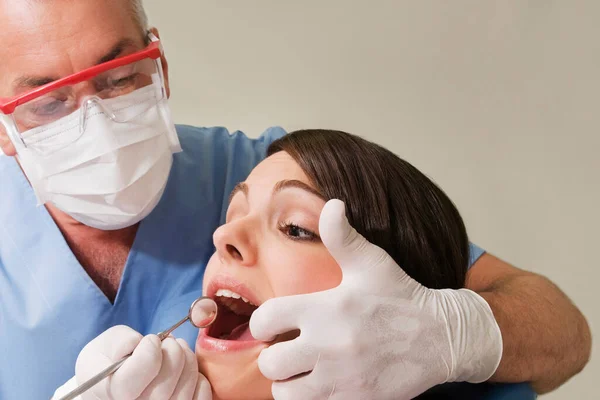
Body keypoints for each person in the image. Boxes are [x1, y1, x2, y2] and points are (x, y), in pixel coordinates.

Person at [0, 1, 590, 399]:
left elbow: (562, 330)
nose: (221, 235)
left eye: (119, 75)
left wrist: (453, 337)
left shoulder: (259, 165)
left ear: (160, 67)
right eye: (47, 103)